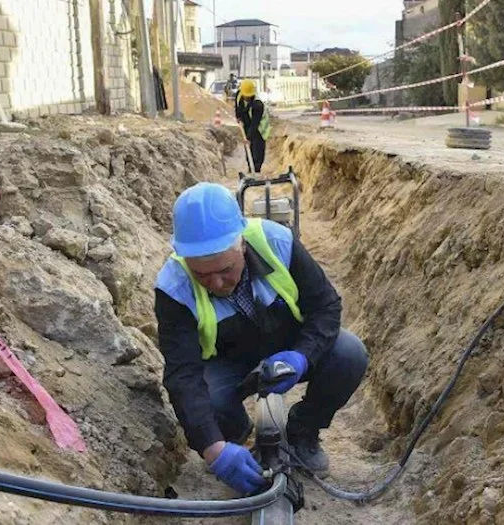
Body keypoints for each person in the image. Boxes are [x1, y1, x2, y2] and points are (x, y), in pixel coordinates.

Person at [154, 182, 368, 495]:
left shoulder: (278, 242)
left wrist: (301, 356)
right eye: (202, 275)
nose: (216, 282)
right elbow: (182, 375)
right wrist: (214, 449)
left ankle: (303, 431)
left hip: (288, 344)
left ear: (240, 243)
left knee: (348, 354)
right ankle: (236, 434)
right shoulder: (173, 287)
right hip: (228, 361)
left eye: (225, 270)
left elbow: (326, 306)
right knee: (208, 401)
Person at [235, 79, 270, 174]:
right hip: (247, 122)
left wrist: (249, 138)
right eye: (245, 95)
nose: (247, 97)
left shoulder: (258, 105)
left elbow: (255, 124)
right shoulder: (239, 94)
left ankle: (257, 170)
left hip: (260, 127)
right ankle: (250, 168)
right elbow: (238, 108)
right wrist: (239, 118)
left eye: (249, 96)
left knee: (257, 148)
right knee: (248, 148)